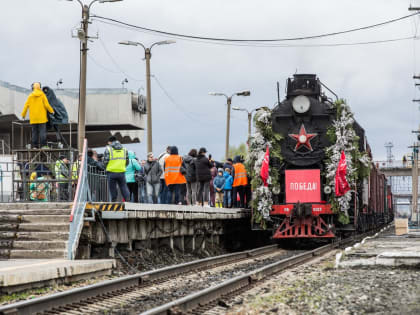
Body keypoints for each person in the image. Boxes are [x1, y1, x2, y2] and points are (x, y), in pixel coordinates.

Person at [21, 82, 54, 149]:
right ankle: (43, 146)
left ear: (33, 87)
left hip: (33, 118)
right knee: (42, 132)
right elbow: (47, 105)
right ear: (39, 87)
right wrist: (52, 111)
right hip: (42, 118)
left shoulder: (30, 96)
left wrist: (23, 115)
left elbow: (26, 106)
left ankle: (35, 146)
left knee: (34, 132)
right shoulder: (42, 95)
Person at [104, 136, 130, 202]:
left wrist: (105, 167)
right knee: (123, 186)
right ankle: (127, 198)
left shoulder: (108, 149)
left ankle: (114, 200)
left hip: (111, 171)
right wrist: (122, 166)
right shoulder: (124, 149)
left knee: (112, 187)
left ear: (110, 142)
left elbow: (105, 161)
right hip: (121, 171)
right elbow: (127, 161)